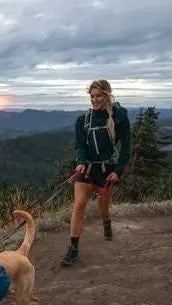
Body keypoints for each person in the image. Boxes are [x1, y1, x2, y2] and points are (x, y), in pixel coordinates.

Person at [61, 79, 131, 266]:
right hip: (87, 168)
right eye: (92, 96)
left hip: (107, 169)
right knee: (79, 205)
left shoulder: (120, 117)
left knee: (103, 208)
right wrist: (81, 162)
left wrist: (118, 171)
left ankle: (106, 222)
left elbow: (126, 147)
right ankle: (73, 248)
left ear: (107, 95)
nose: (94, 100)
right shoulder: (82, 120)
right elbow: (80, 145)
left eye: (99, 95)